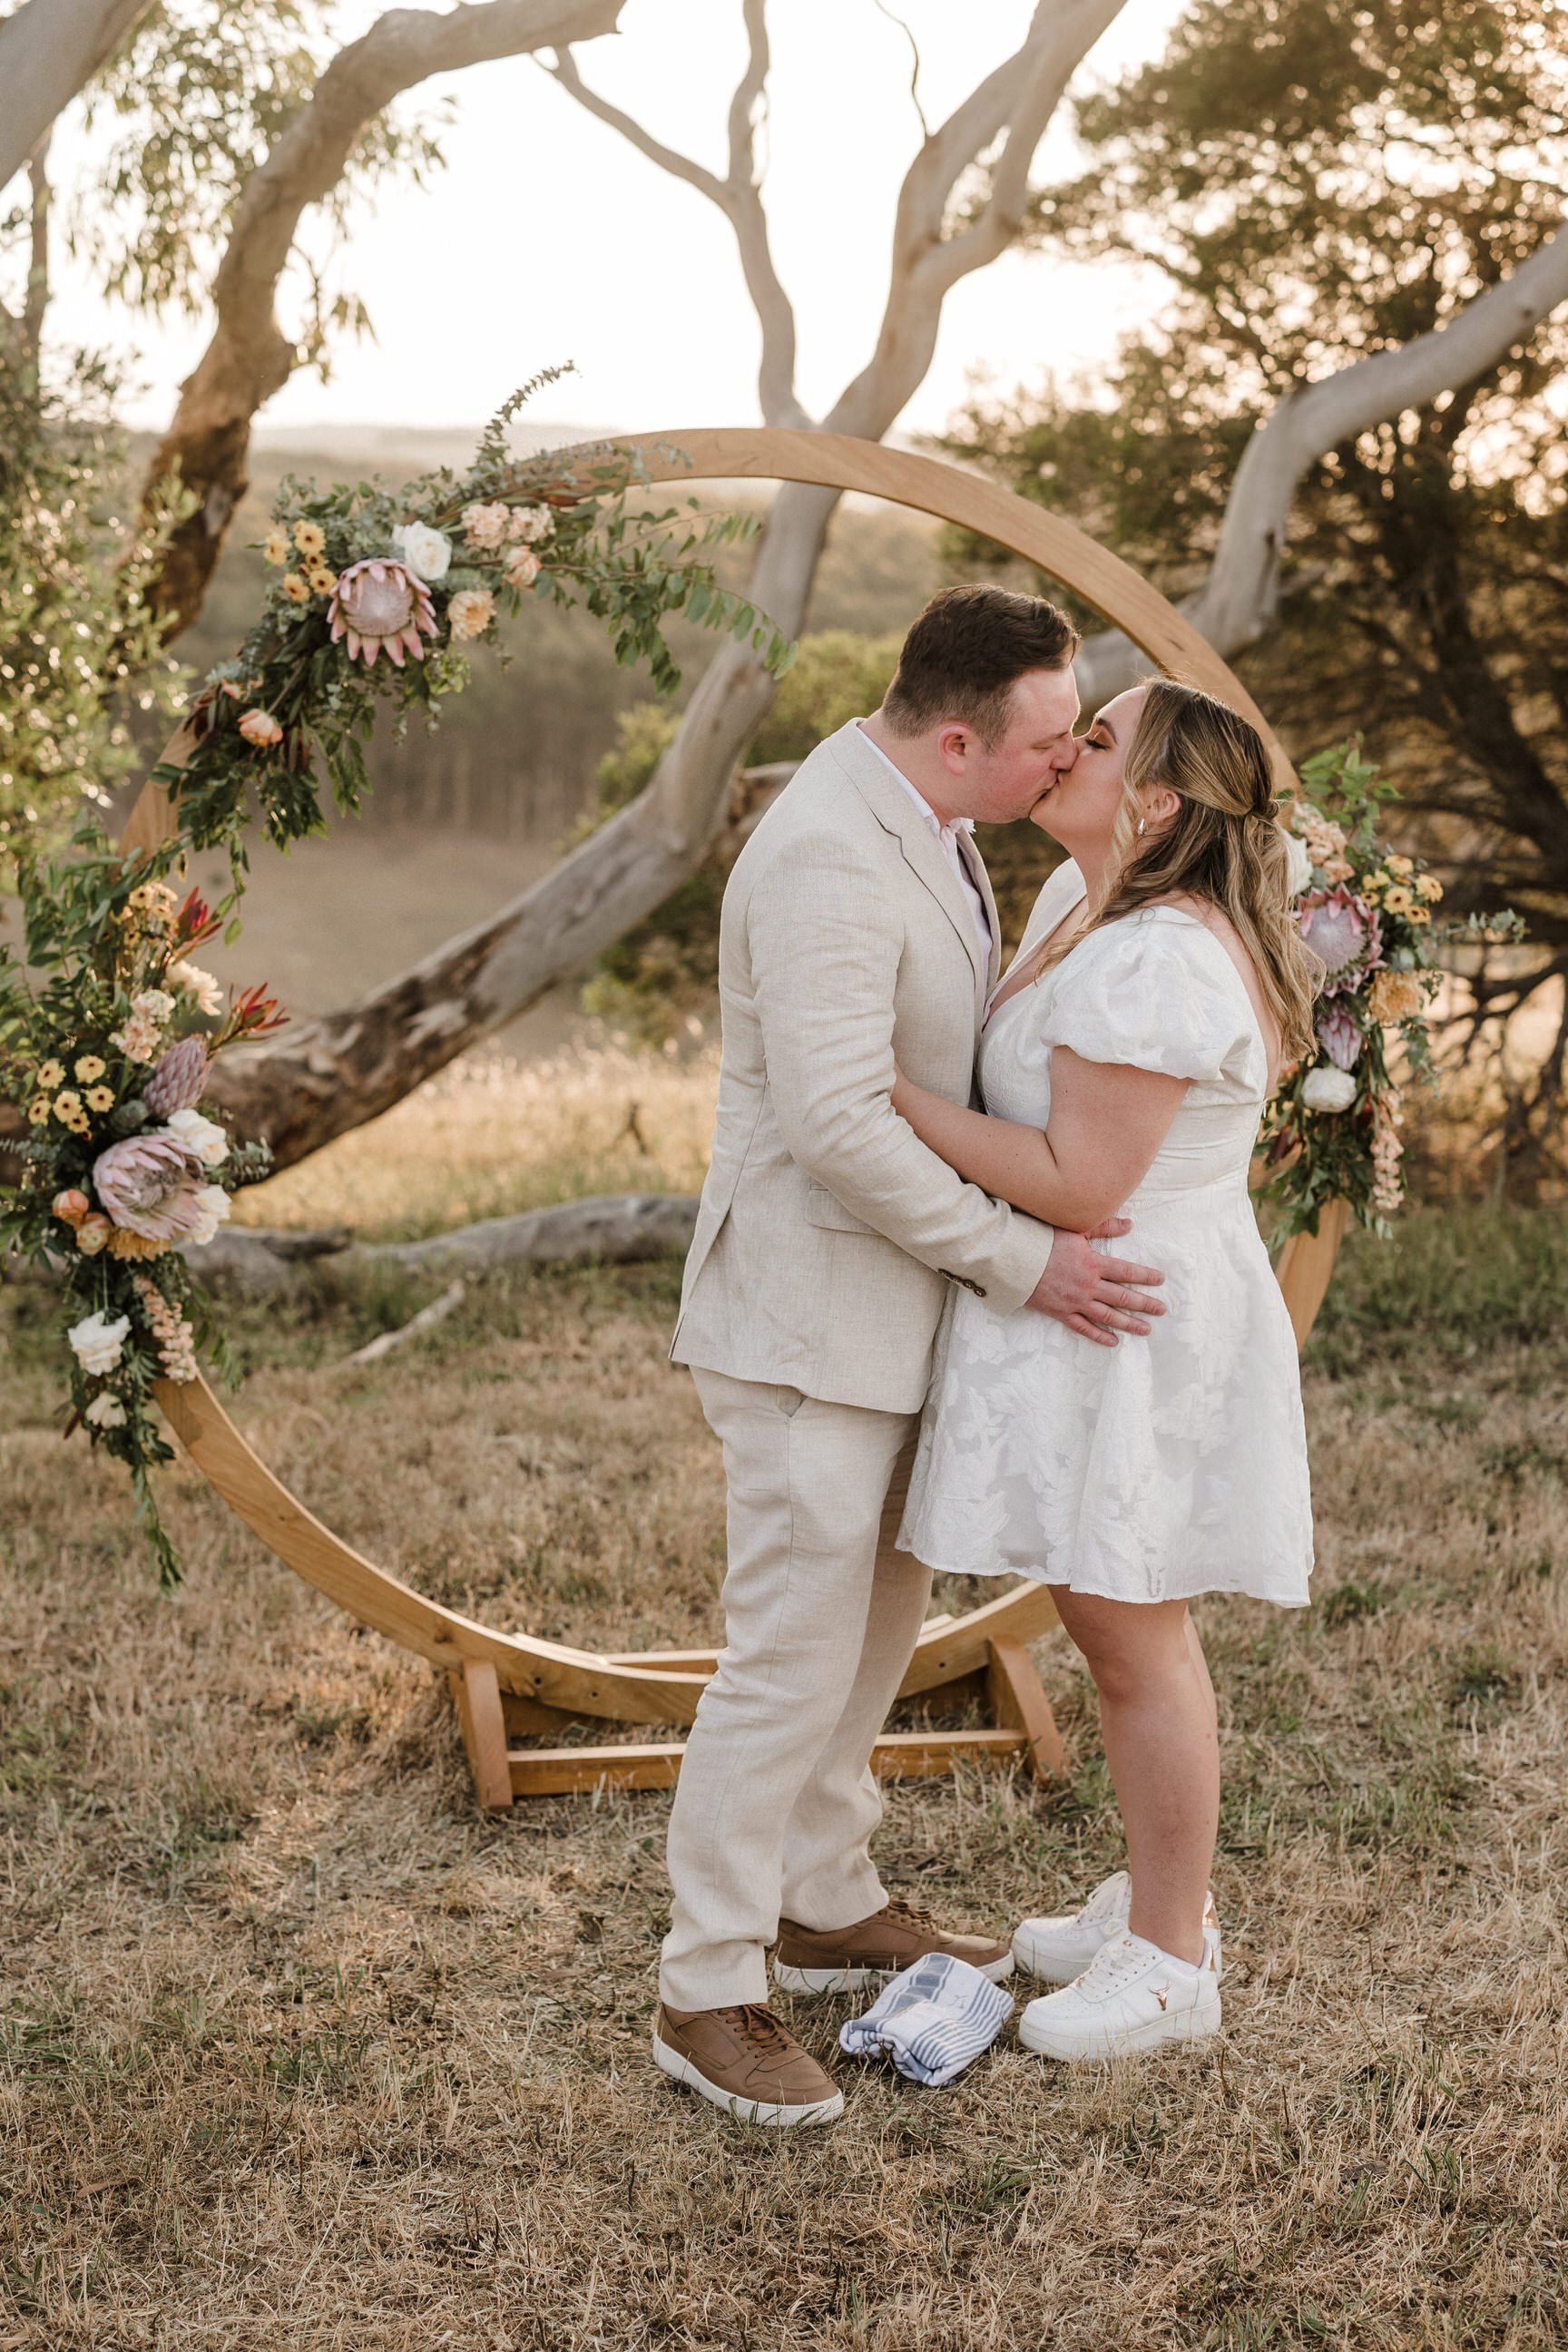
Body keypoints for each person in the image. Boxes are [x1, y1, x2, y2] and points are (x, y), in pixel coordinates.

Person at [654, 585, 1170, 2128]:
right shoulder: (823, 853)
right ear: (958, 737)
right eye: (1048, 741)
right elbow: (834, 1124)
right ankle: (707, 1985)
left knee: (871, 1634)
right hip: (808, 1321)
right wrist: (1028, 1264)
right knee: (785, 1660)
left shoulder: (932, 817)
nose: (1065, 759)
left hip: (889, 1320)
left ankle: (821, 1893)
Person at [895, 677, 1319, 2062]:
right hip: (1098, 1315)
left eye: (1096, 741)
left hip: (1129, 1315)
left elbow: (1083, 1182)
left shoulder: (1158, 957)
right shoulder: (1081, 910)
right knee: (1106, 1618)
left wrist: (887, 1101)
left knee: (1136, 1638)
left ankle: (1171, 1955)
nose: (1063, 752)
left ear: (1160, 803)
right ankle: (1154, 1894)